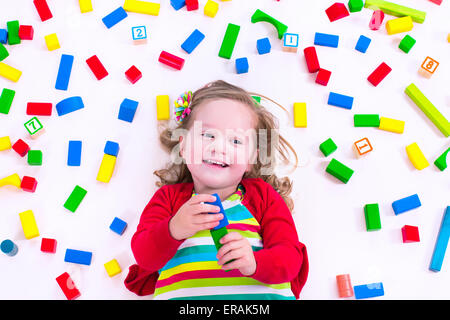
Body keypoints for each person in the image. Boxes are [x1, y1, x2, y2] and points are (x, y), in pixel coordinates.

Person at [124, 80, 308, 300]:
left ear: (252, 158)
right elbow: (145, 257)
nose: (219, 147)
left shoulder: (264, 197)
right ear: (182, 145)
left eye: (236, 141)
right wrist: (174, 228)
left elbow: (290, 259)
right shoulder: (169, 199)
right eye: (208, 135)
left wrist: (254, 262)